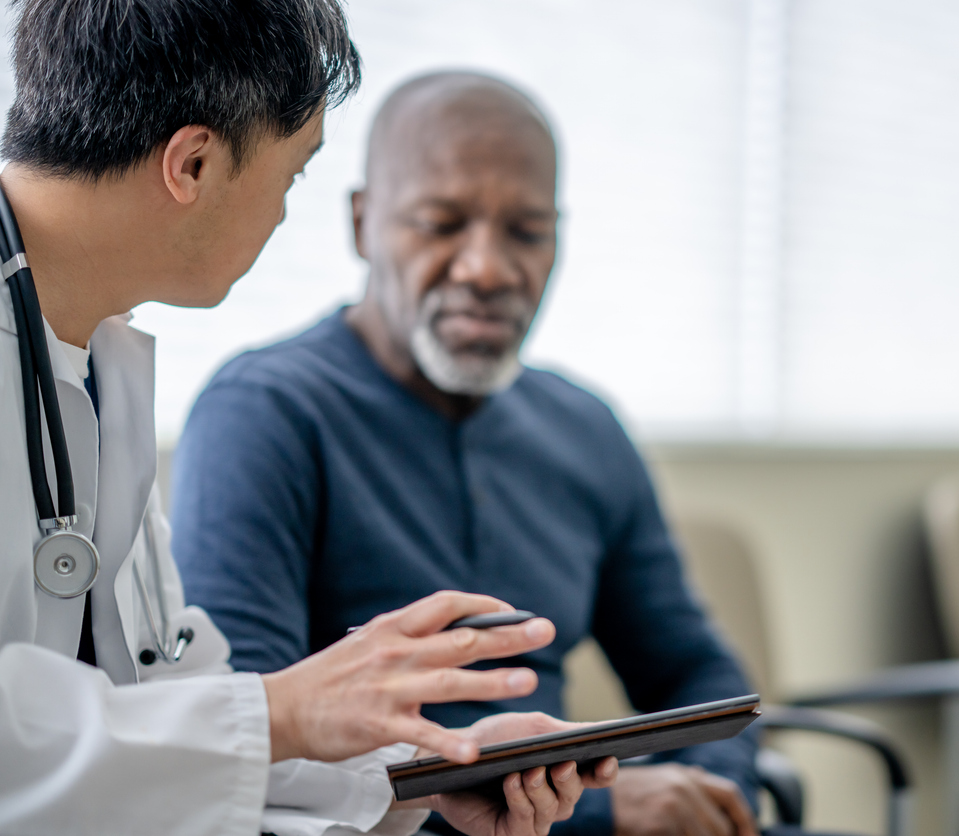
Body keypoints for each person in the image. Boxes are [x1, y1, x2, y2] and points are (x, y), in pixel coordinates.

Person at [0, 5, 616, 835]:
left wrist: (424, 772)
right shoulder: (259, 400)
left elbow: (166, 711)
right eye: (292, 176)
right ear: (194, 163)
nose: (286, 213)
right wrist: (282, 709)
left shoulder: (90, 355)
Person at [172, 72, 761, 836]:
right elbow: (250, 736)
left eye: (526, 232)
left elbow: (695, 672)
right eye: (441, 222)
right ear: (363, 224)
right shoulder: (265, 412)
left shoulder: (585, 427)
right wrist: (612, 811)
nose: (486, 268)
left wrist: (711, 794)